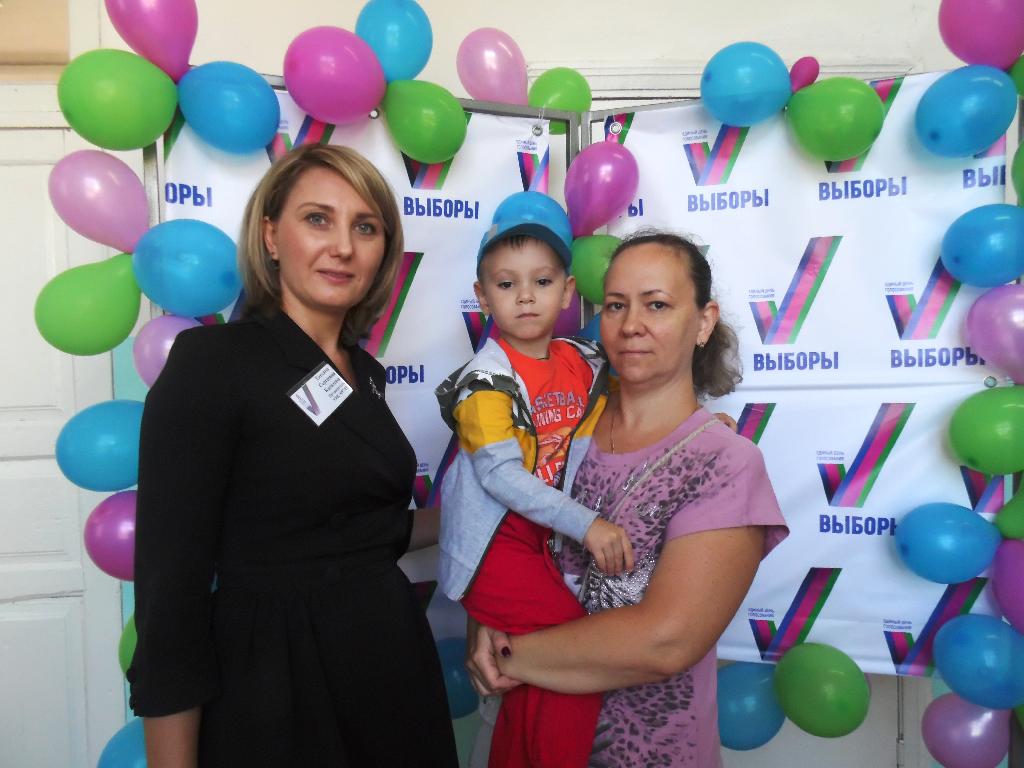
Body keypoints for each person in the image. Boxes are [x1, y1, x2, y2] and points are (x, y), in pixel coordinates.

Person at [128, 144, 459, 767]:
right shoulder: (214, 363)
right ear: (271, 236)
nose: (343, 247)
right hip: (277, 678)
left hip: (390, 665)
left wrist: (486, 508)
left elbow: (358, 531)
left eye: (366, 228)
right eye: (317, 219)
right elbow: (172, 594)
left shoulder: (364, 373)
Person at [467, 231, 789, 768]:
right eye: (616, 305)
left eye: (656, 304)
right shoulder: (560, 427)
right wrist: (484, 620)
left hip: (646, 752)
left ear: (703, 322)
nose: (631, 324)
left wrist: (506, 655)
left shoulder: (725, 461)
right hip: (518, 729)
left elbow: (664, 641)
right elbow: (492, 529)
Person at [434, 191, 635, 768]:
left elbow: (645, 394)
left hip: (543, 542)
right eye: (506, 284)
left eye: (542, 281)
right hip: (496, 545)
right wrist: (587, 524)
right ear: (482, 296)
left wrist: (700, 424)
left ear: (568, 291)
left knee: (530, 675)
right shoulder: (483, 381)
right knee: (577, 652)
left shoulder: (581, 362)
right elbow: (500, 475)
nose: (525, 295)